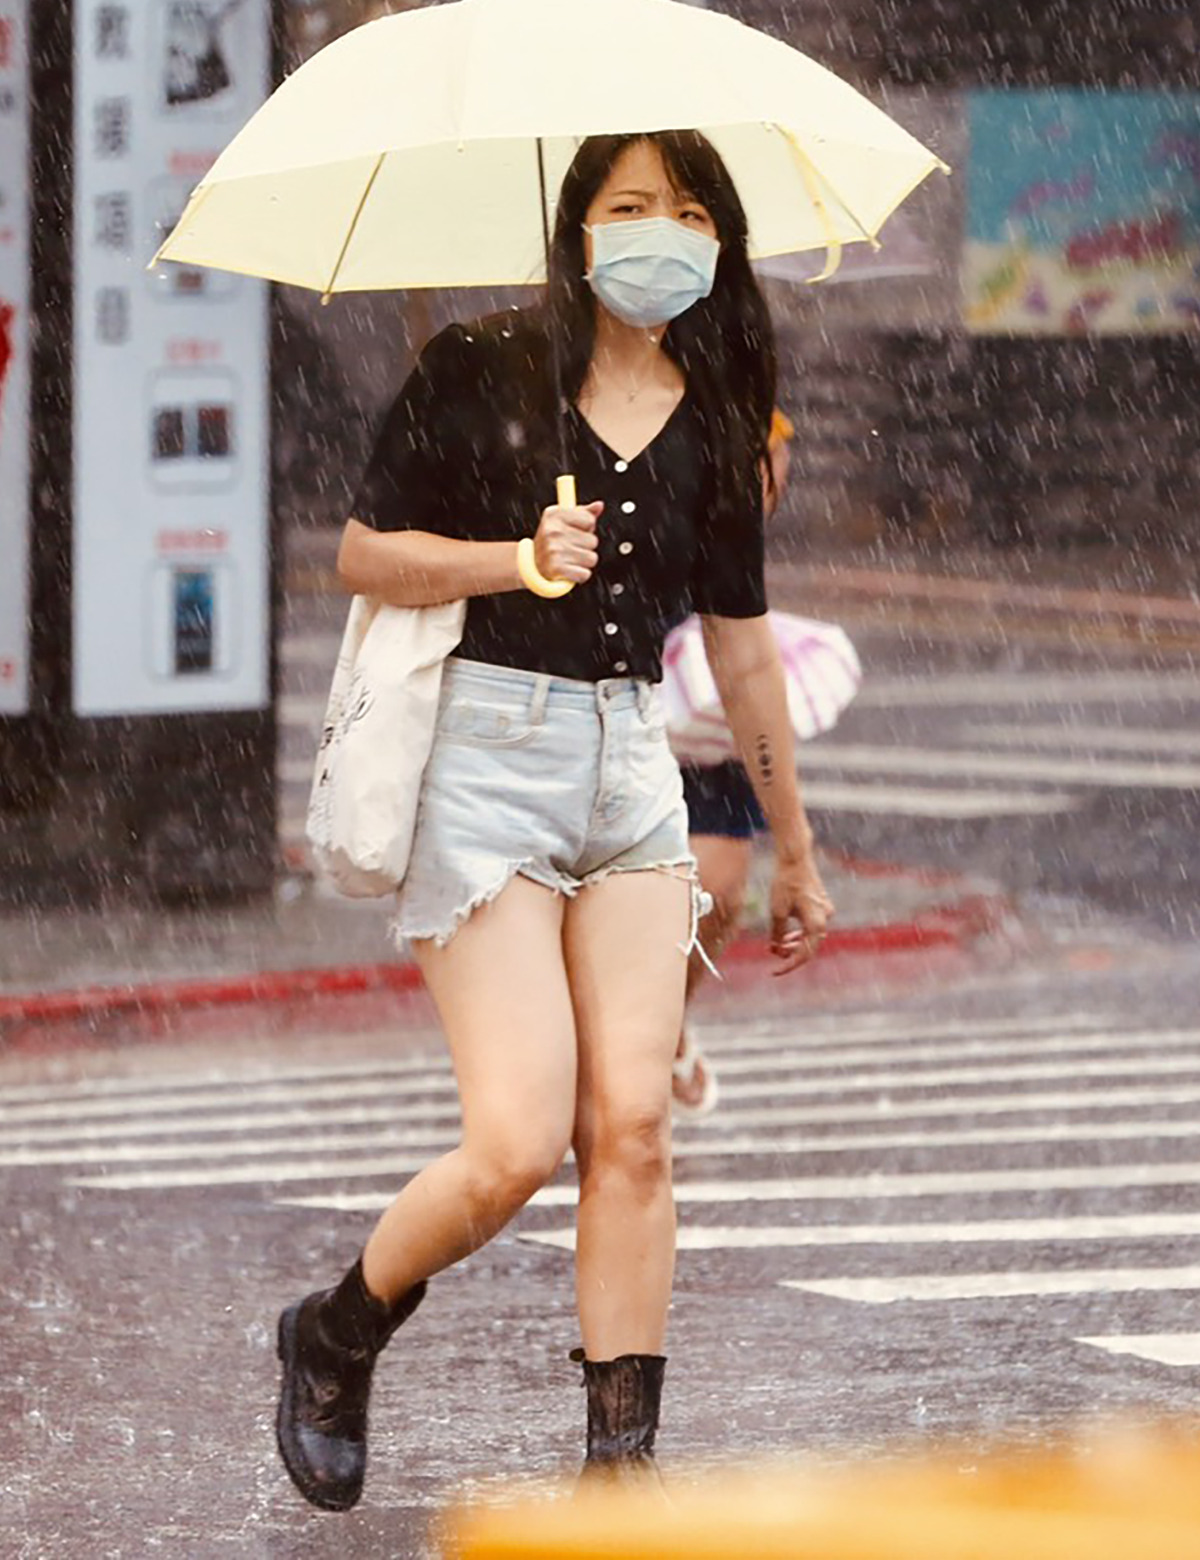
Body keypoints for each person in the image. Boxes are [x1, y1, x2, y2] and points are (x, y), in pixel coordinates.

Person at [272, 130, 833, 1510]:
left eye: (689, 210)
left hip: (629, 762)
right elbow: (360, 552)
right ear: (579, 229)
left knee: (633, 1125)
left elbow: (744, 647)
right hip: (487, 760)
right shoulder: (481, 367)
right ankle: (339, 1326)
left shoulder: (718, 410)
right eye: (632, 205)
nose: (662, 231)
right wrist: (511, 559)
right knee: (519, 1141)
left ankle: (619, 1475)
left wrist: (795, 845)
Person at [670, 410, 794, 1117]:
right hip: (602, 687)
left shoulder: (729, 377)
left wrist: (797, 846)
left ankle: (666, 1020)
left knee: (716, 892)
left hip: (703, 696)